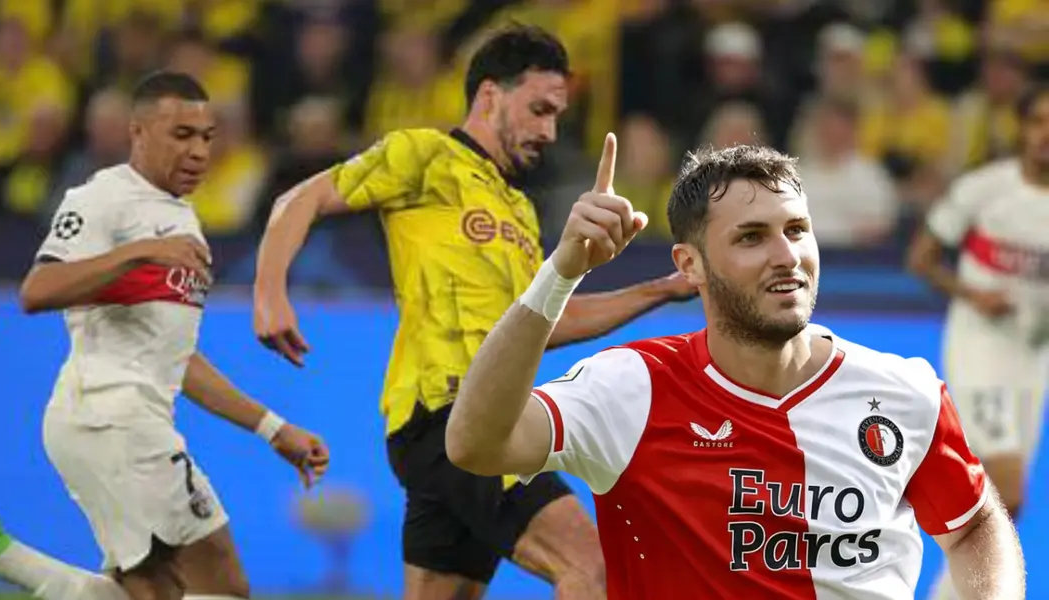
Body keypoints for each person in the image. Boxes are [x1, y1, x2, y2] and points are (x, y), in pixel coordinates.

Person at [445, 137, 1025, 599]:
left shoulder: (903, 391)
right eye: (752, 237)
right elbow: (476, 443)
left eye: (797, 230)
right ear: (689, 265)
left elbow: (974, 525)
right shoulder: (630, 388)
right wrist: (561, 275)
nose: (786, 256)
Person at [254, 24, 694, 600]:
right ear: (490, 94)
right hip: (450, 411)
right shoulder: (424, 154)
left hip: (470, 422)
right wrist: (269, 291)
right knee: (595, 570)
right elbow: (302, 197)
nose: (549, 130)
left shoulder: (517, 208)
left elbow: (542, 324)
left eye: (558, 115)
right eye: (538, 110)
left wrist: (661, 289)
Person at [0, 72, 330, 600]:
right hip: (112, 419)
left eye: (207, 136)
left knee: (151, 593)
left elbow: (176, 358)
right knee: (217, 590)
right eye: (181, 135)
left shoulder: (183, 221)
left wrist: (272, 428)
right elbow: (35, 291)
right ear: (138, 132)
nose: (198, 151)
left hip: (125, 421)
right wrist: (139, 252)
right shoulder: (102, 198)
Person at [908, 83, 1049, 600]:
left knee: (1011, 503)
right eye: (1037, 121)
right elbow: (920, 258)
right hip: (982, 344)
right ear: (1022, 128)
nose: (1046, 134)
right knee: (1004, 488)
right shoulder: (986, 189)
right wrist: (973, 293)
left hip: (1035, 351)